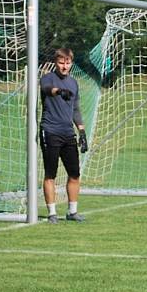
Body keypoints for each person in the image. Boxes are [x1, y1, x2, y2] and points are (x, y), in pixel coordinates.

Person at [40, 48, 88, 224]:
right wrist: (58, 91)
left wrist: (81, 131)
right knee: (50, 174)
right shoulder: (47, 78)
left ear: (71, 63)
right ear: (55, 62)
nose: (64, 66)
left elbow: (75, 109)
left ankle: (72, 211)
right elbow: (47, 89)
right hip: (50, 131)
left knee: (74, 174)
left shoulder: (74, 83)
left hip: (68, 133)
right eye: (61, 62)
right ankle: (52, 213)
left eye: (67, 63)